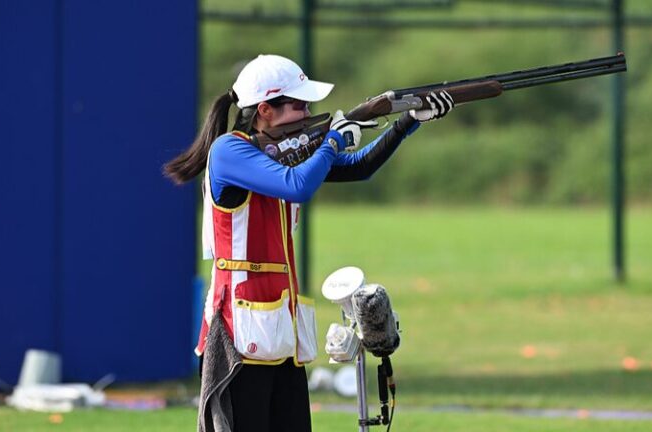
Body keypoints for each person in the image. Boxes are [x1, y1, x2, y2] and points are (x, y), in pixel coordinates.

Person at [164, 54, 453, 432]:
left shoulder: (287, 155)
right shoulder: (229, 151)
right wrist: (332, 140)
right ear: (265, 110)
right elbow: (296, 185)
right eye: (298, 105)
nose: (306, 112)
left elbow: (360, 166)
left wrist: (407, 122)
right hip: (238, 335)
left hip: (280, 336)